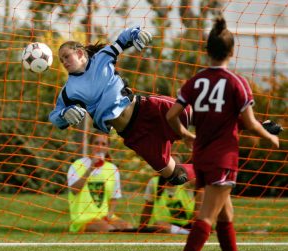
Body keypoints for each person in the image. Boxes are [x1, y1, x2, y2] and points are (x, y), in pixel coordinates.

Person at [165, 16, 280, 251]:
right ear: (232, 51)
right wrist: (269, 137)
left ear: (207, 51)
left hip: (202, 154)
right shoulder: (236, 82)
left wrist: (184, 134)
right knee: (207, 215)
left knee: (226, 214)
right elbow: (250, 123)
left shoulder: (195, 81)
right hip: (223, 157)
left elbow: (172, 115)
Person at [49, 26, 196, 187]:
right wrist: (64, 114)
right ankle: (209, 169)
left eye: (66, 56)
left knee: (196, 115)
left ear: (79, 53)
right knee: (176, 177)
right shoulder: (68, 91)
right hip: (133, 135)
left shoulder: (102, 57)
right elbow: (54, 117)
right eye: (61, 60)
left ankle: (224, 146)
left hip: (146, 110)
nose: (64, 62)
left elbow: (123, 39)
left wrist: (136, 33)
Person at [67, 131, 132, 233]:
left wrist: (109, 216)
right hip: (84, 218)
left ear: (108, 147)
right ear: (90, 145)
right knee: (109, 229)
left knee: (128, 228)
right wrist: (90, 169)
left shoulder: (112, 169)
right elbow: (74, 190)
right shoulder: (77, 165)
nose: (100, 147)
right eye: (96, 143)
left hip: (104, 217)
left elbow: (114, 199)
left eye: (103, 144)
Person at [139, 156, 203, 234]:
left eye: (176, 167)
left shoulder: (189, 184)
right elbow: (147, 208)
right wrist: (141, 228)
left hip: (187, 224)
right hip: (163, 225)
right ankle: (185, 233)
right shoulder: (154, 183)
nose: (172, 170)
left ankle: (190, 232)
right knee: (159, 225)